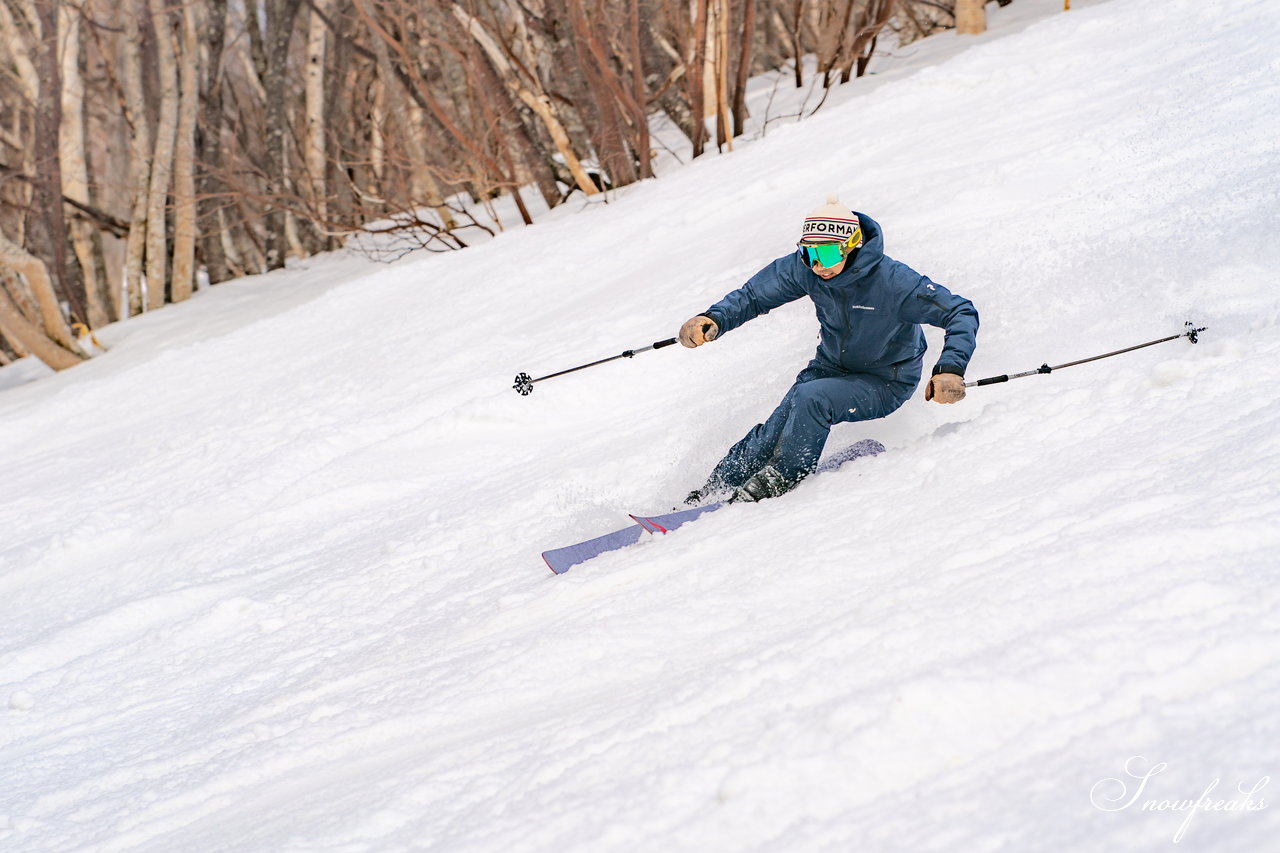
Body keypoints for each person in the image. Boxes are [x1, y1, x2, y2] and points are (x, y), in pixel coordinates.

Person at [679, 194, 979, 504]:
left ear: (851, 247)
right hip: (830, 367)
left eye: (828, 254)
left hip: (885, 381)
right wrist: (713, 318)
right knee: (776, 428)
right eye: (809, 253)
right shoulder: (807, 269)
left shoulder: (894, 282)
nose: (819, 265)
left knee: (812, 399)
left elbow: (960, 312)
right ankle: (715, 488)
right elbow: (755, 295)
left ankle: (779, 479)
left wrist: (950, 370)